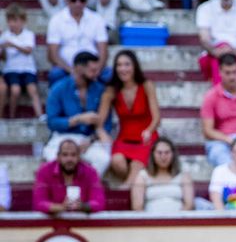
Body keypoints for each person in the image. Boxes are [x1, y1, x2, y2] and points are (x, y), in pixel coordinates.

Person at [96, 48, 159, 181]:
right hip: (124, 138)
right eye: (119, 65)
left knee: (137, 164)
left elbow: (156, 118)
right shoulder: (111, 90)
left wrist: (149, 130)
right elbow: (99, 122)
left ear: (134, 66)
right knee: (116, 161)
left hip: (146, 137)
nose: (123, 69)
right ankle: (133, 188)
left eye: (127, 64)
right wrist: (101, 132)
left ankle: (125, 191)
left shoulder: (146, 85)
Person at [44, 51, 110, 173]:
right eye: (92, 70)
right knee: (53, 158)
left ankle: (86, 189)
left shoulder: (100, 89)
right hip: (62, 136)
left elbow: (106, 124)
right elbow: (51, 122)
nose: (97, 74)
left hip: (88, 138)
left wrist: (91, 139)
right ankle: (63, 192)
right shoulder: (59, 88)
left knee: (103, 159)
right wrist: (77, 119)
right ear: (79, 68)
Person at [43, 0, 109, 84]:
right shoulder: (56, 20)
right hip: (66, 68)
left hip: (93, 66)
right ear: (66, 1)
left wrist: (97, 69)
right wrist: (72, 71)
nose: (78, 3)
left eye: (82, 0)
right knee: (55, 74)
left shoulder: (97, 19)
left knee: (109, 75)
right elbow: (53, 55)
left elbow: (103, 49)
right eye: (73, 0)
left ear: (86, 2)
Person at [32, 136, 106, 213]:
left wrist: (83, 206)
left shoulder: (90, 172)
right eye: (65, 154)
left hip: (81, 223)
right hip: (53, 223)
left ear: (79, 157)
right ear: (58, 156)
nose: (69, 159)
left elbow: (99, 203)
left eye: (73, 155)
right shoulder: (45, 171)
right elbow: (39, 203)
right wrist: (61, 207)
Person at [129, 134, 194, 211]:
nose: (163, 156)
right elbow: (137, 207)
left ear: (173, 154)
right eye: (159, 153)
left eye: (167, 152)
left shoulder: (183, 175)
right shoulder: (143, 176)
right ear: (153, 154)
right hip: (150, 221)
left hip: (178, 221)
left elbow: (189, 204)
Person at [1, 6, 41, 119]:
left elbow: (28, 50)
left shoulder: (28, 34)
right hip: (11, 69)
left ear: (23, 21)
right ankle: (12, 116)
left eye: (15, 20)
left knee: (32, 89)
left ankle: (40, 115)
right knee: (15, 90)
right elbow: (3, 57)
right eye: (9, 21)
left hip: (28, 69)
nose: (12, 24)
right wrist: (3, 48)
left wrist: (13, 45)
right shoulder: (5, 36)